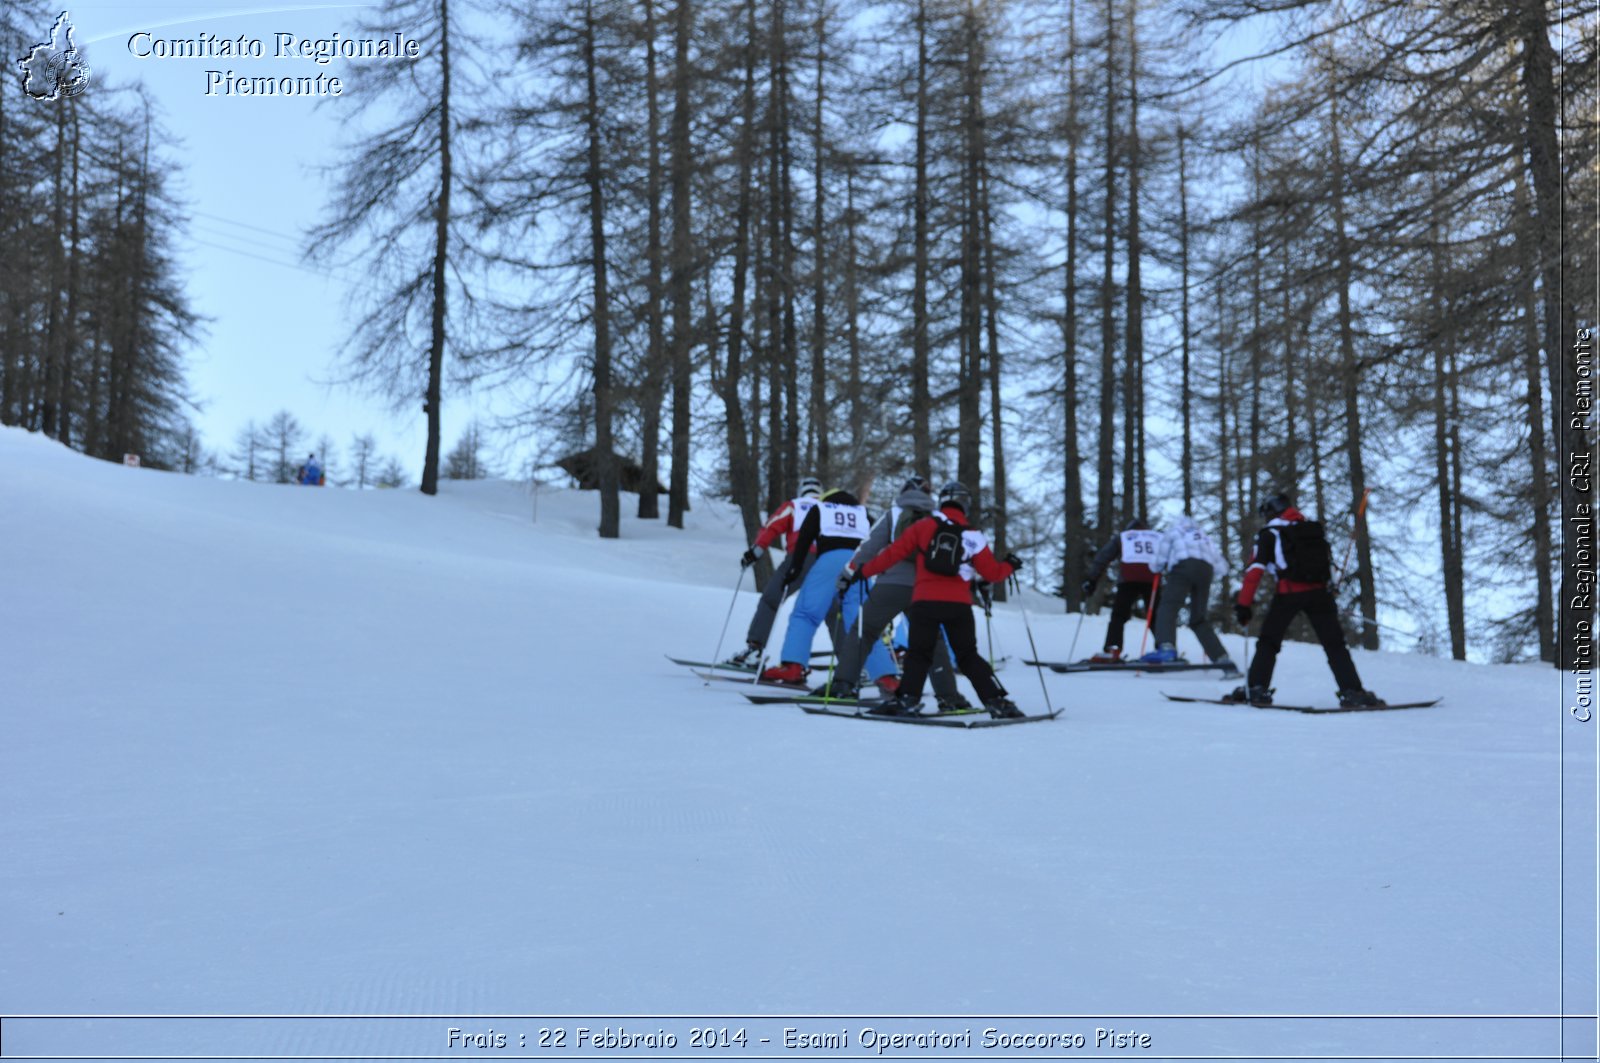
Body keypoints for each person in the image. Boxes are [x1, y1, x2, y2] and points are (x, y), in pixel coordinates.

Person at [845, 481, 1024, 719]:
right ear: (966, 505)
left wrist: (862, 571)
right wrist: (1010, 565)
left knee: (919, 653)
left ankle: (907, 700)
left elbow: (892, 554)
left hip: (925, 601)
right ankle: (998, 702)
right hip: (959, 604)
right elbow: (992, 574)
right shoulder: (973, 535)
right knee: (967, 654)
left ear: (942, 502)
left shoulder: (924, 527)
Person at [813, 476, 969, 708]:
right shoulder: (938, 520)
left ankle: (843, 685)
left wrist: (848, 574)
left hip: (891, 585)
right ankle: (949, 697)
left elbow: (869, 546)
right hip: (925, 590)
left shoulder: (894, 514)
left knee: (863, 632)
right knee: (933, 642)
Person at [1229, 493, 1384, 707]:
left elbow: (1255, 571)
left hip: (1288, 593)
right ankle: (1353, 692)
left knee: (1269, 642)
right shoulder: (1311, 530)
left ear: (1269, 511)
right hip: (1320, 594)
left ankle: (1256, 688)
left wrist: (1243, 605)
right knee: (1335, 645)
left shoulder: (1270, 533)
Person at [760, 488, 893, 685]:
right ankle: (886, 676)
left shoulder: (821, 508)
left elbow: (805, 539)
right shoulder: (862, 513)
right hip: (858, 564)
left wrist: (794, 569)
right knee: (862, 623)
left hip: (830, 560)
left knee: (806, 613)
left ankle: (793, 666)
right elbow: (878, 539)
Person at [722, 477, 823, 667]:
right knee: (826, 610)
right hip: (827, 562)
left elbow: (772, 526)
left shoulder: (795, 505)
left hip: (799, 558)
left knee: (771, 600)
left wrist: (755, 552)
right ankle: (854, 665)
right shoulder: (831, 508)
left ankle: (755, 650)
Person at [1141, 513, 1239, 677]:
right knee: (1198, 618)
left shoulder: (1174, 531)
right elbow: (1222, 567)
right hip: (1206, 570)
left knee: (1168, 607)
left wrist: (1156, 567)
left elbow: (1160, 559)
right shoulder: (1203, 536)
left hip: (1183, 566)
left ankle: (1166, 648)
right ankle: (1222, 659)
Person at [1081, 518, 1162, 662]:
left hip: (1128, 578)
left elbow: (1104, 556)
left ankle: (1113, 648)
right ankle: (1164, 648)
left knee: (1119, 615)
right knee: (1155, 616)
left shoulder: (1124, 537)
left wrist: (1092, 579)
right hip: (1152, 579)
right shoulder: (1155, 537)